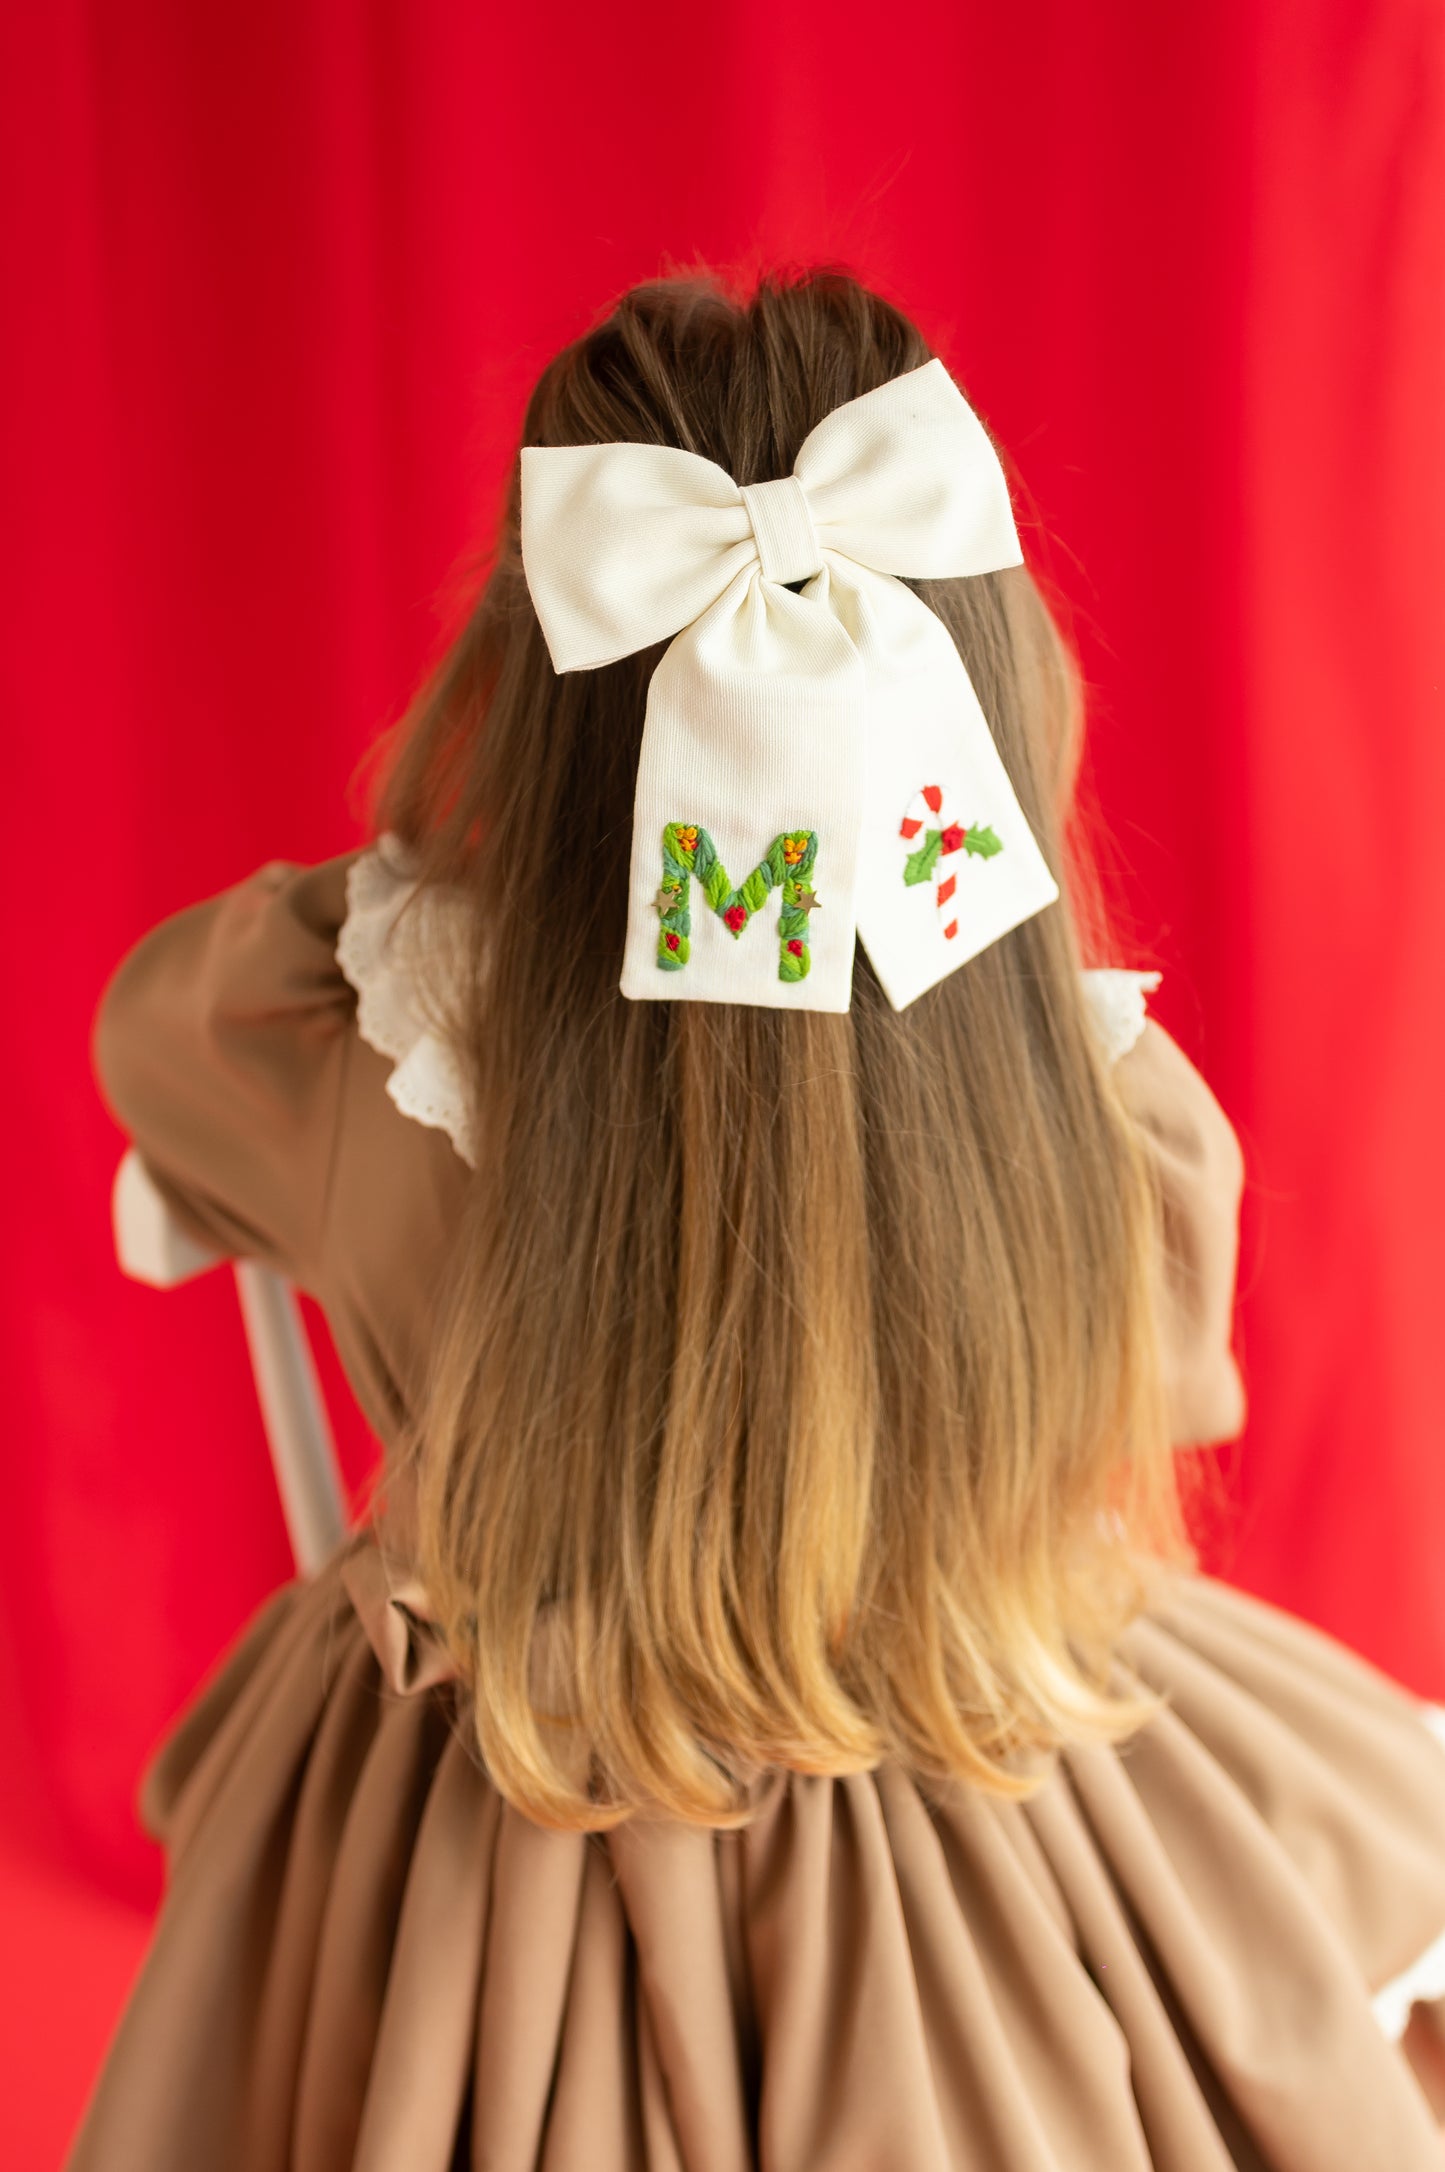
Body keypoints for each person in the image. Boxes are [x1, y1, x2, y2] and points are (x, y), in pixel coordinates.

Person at [71, 268, 1445, 2171]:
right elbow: (1174, 1388)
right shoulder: (1100, 1113)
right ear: (982, 689)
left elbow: (150, 1042)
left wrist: (419, 886)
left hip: (498, 1883)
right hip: (995, 1802)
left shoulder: (361, 1066)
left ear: (529, 688)